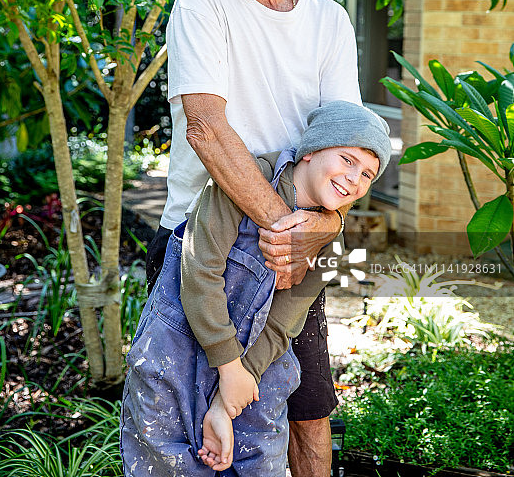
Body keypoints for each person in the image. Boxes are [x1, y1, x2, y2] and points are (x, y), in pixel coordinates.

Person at [146, 0, 362, 477]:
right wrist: (288, 230)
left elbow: (343, 141)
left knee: (309, 414)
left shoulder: (329, 21)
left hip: (289, 244)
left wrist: (327, 223)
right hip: (205, 242)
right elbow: (206, 127)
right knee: (181, 427)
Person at [122, 101, 391, 476]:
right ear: (311, 151)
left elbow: (284, 322)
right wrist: (228, 368)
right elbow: (199, 271)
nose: (354, 178)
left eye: (367, 175)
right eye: (347, 160)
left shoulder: (330, 243)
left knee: (259, 465)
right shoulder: (245, 180)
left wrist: (231, 393)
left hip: (255, 371)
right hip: (175, 353)